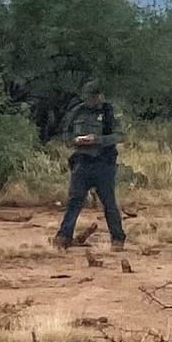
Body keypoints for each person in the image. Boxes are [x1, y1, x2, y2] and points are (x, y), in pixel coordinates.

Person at [53, 81, 126, 251]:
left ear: (100, 95)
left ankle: (117, 238)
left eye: (94, 96)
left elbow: (120, 135)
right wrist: (74, 141)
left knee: (108, 203)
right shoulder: (77, 111)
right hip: (82, 162)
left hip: (103, 164)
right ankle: (64, 236)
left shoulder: (110, 112)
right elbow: (66, 133)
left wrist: (98, 140)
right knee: (74, 201)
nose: (91, 100)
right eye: (88, 96)